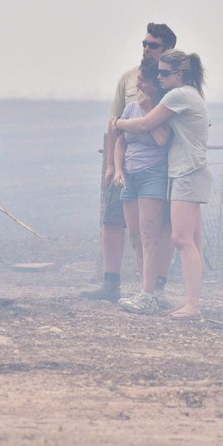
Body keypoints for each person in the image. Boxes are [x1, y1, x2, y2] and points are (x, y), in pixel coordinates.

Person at [82, 23, 177, 303]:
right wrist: (112, 166)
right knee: (115, 220)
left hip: (160, 166)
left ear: (167, 49)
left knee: (161, 227)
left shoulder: (176, 84)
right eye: (144, 44)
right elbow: (115, 125)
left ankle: (155, 288)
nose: (147, 49)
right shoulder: (127, 79)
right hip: (126, 161)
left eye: (154, 45)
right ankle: (112, 284)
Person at [114, 49, 210, 319]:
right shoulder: (191, 95)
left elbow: (146, 124)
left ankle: (191, 305)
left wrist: (117, 123)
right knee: (193, 241)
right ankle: (192, 302)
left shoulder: (179, 95)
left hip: (187, 172)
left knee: (181, 239)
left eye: (164, 73)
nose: (160, 78)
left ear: (179, 75)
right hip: (191, 170)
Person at [113, 60, 175, 314]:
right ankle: (144, 289)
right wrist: (118, 169)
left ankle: (149, 294)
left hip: (152, 175)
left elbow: (162, 139)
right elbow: (120, 143)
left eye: (142, 80)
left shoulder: (162, 109)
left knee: (150, 236)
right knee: (136, 236)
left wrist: (148, 110)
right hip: (130, 176)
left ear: (153, 84)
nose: (137, 84)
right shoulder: (129, 108)